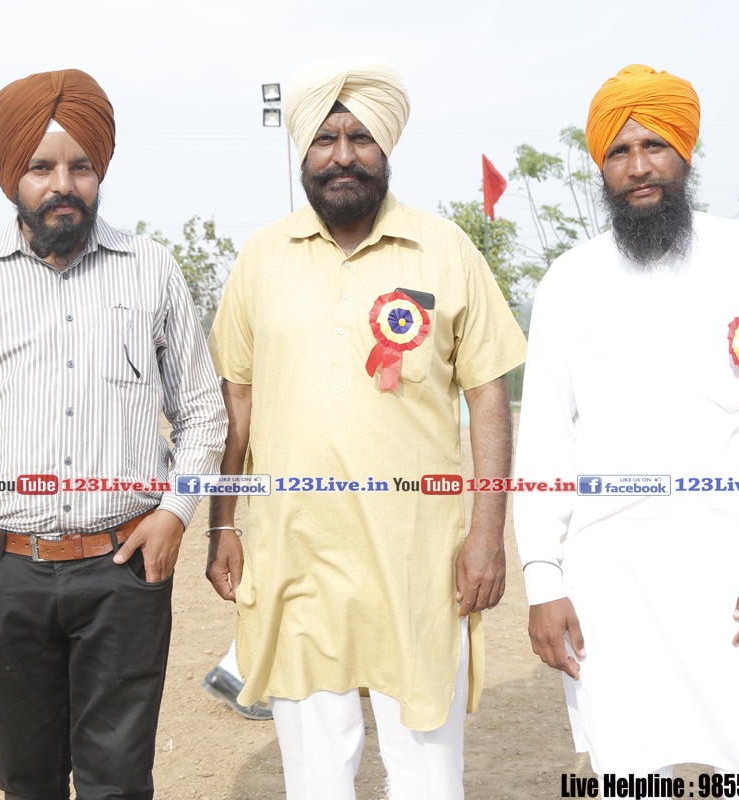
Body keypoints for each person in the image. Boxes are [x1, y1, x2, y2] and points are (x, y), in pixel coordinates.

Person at [0, 68, 227, 800]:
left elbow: (203, 411)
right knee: (27, 780)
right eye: (41, 167)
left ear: (101, 171)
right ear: (12, 174)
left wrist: (176, 511)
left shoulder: (152, 270)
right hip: (1, 575)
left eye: (82, 166)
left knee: (120, 782)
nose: (62, 185)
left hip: (126, 571)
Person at [204, 58, 527, 799]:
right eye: (325, 139)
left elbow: (488, 395)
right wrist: (223, 525)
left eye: (361, 138)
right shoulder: (262, 257)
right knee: (315, 771)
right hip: (295, 551)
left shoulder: (445, 249)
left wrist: (486, 535)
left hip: (418, 555)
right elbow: (237, 403)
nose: (343, 155)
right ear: (303, 152)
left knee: (427, 769)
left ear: (387, 148)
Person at [514, 64, 739, 776]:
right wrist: (542, 578)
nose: (638, 168)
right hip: (611, 578)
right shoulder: (570, 279)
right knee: (630, 773)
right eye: (619, 152)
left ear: (685, 151)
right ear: (601, 167)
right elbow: (544, 441)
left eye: (654, 145)